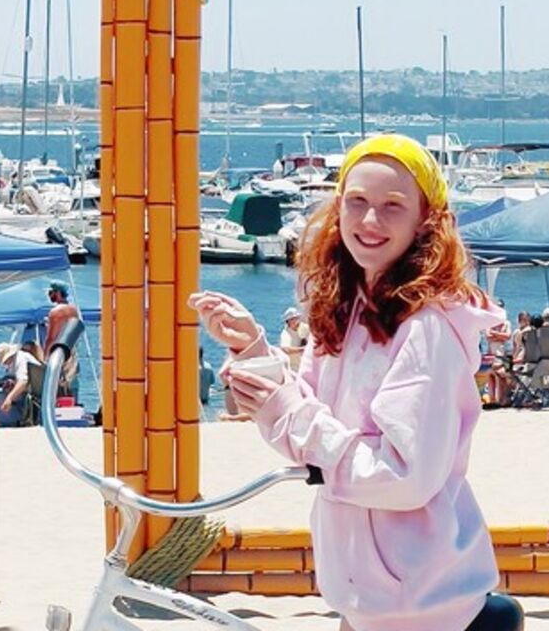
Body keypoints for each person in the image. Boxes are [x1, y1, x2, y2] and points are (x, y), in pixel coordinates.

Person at [189, 134, 514, 631]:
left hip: (419, 602)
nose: (369, 220)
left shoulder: (426, 329)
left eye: (392, 206)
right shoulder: (349, 307)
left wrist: (284, 408)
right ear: (338, 206)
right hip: (371, 595)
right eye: (357, 201)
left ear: (426, 219)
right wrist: (255, 351)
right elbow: (313, 428)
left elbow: (403, 478)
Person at [44, 280, 81, 401]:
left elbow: (51, 337)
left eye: (51, 293)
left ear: (57, 293)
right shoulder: (74, 310)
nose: (49, 296)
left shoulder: (55, 312)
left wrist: (45, 357)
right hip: (72, 351)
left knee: (55, 385)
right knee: (72, 384)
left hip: (58, 352)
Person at [0, 342, 40, 427]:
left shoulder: (20, 359)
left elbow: (23, 381)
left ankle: (2, 418)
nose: (4, 364)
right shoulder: (18, 358)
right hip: (32, 388)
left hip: (33, 392)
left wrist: (9, 398)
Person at [279, 306, 309, 371]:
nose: (295, 321)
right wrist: (304, 349)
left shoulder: (303, 327)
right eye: (292, 319)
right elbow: (286, 349)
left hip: (304, 364)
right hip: (293, 368)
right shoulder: (286, 334)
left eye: (296, 318)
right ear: (288, 321)